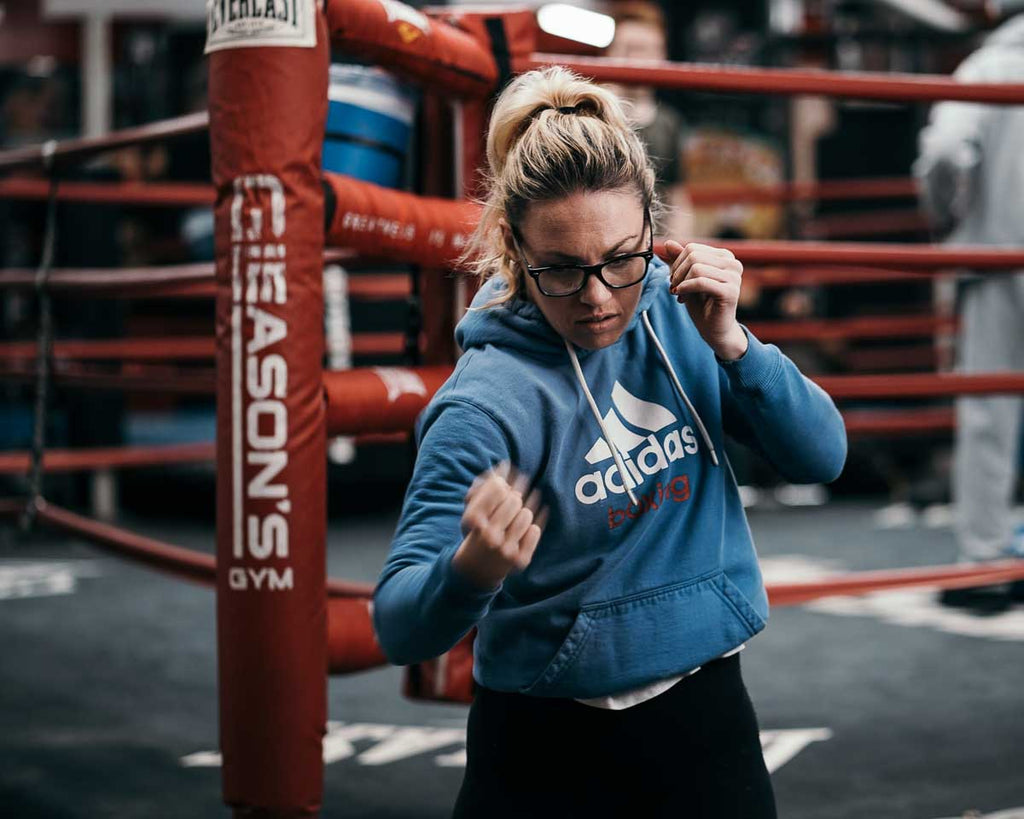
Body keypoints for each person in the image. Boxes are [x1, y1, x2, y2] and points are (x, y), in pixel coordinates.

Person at [373, 67, 847, 818]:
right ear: (512, 246)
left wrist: (735, 344)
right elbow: (399, 623)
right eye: (561, 269)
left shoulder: (684, 319)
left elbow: (822, 456)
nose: (598, 297)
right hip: (546, 741)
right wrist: (469, 571)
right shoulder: (482, 406)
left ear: (653, 231)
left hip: (707, 712)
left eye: (622, 259)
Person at [914, 7, 1024, 614]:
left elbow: (948, 151)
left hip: (1000, 257)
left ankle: (985, 564)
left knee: (990, 413)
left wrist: (949, 218)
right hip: (1000, 254)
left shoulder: (988, 66)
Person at [603, 2, 694, 239]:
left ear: (661, 55)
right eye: (628, 49)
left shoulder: (668, 122)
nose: (636, 59)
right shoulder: (592, 112)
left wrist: (677, 253)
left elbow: (678, 198)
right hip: (603, 245)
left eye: (645, 50)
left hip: (653, 249)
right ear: (610, 53)